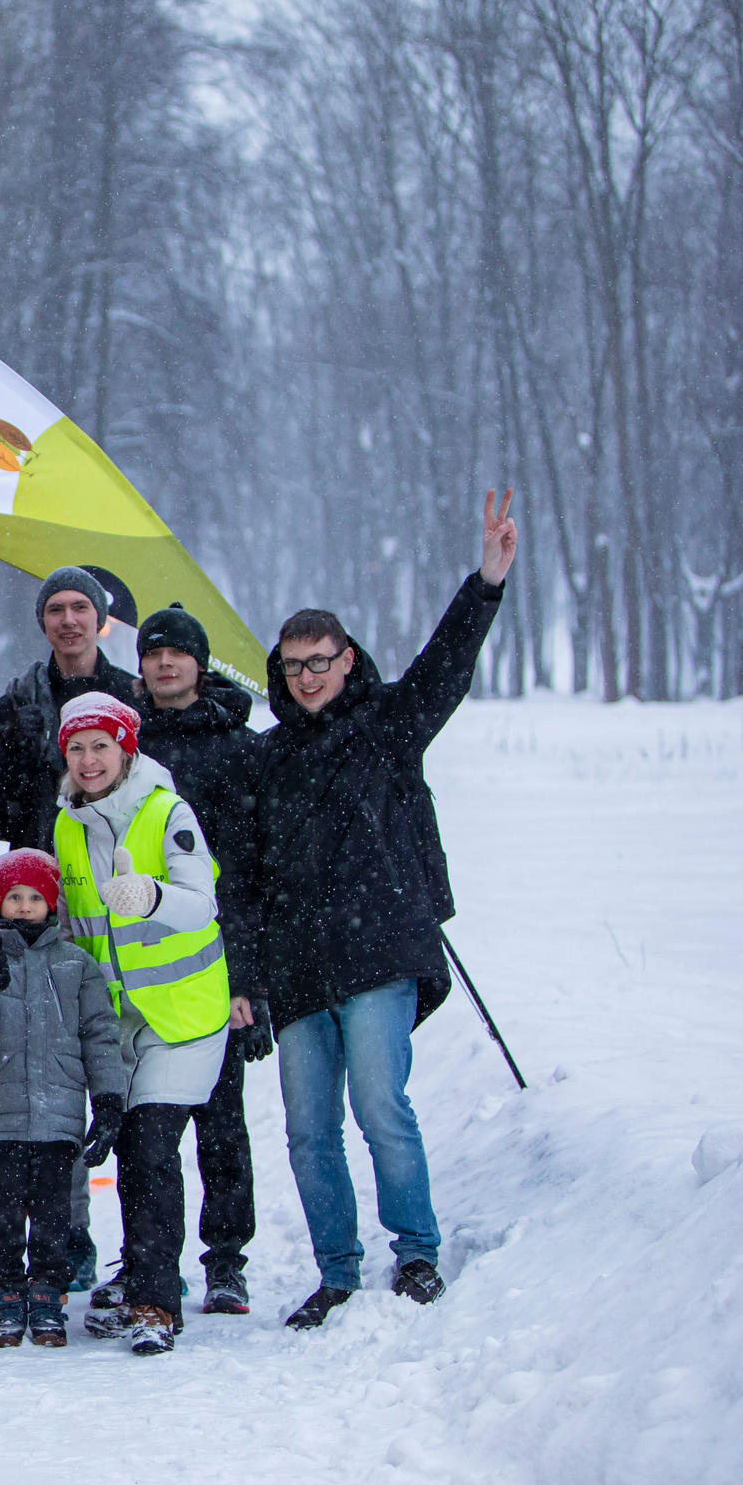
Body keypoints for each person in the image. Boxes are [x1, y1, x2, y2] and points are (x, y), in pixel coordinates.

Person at [258, 489, 518, 1330]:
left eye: (321, 659)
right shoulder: (268, 759)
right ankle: (336, 1269)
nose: (308, 676)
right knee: (306, 1130)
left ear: (347, 657)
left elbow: (447, 664)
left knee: (380, 1106)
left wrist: (486, 581)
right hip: (298, 963)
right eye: (294, 664)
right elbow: (247, 870)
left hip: (379, 949)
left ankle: (416, 1251)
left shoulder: (389, 724)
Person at [52, 692, 231, 1357]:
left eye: (102, 745)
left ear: (126, 749)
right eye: (77, 747)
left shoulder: (165, 811)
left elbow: (201, 903)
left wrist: (152, 895)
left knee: (152, 1147)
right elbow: (74, 924)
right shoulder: (67, 824)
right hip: (120, 1021)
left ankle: (157, 1302)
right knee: (131, 1151)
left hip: (182, 1015)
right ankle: (141, 1283)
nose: (90, 759)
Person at [133, 603, 269, 1316]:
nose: (164, 663)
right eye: (153, 652)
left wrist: (249, 978)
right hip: (141, 959)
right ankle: (150, 1260)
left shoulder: (239, 746)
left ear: (200, 661)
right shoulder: (126, 748)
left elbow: (250, 872)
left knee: (221, 1120)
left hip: (216, 962)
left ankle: (226, 1259)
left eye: (177, 653)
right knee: (148, 1126)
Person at [0, 849, 125, 1347]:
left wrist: (108, 1099)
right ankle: (5, 1294)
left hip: (58, 1114)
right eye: (14, 897)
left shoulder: (76, 965)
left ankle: (48, 1295)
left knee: (52, 1213)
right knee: (2, 1213)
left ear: (52, 905)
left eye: (35, 898)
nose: (24, 907)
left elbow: (100, 1034)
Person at [0, 565, 144, 854]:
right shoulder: (16, 703)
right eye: (56, 610)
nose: (68, 620)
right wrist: (16, 751)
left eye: (80, 607)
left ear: (99, 618)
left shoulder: (132, 697)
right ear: (43, 623)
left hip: (120, 859)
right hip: (37, 871)